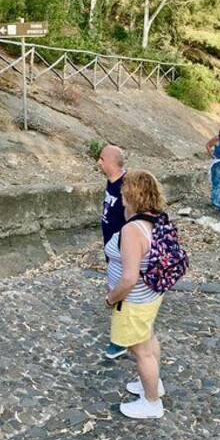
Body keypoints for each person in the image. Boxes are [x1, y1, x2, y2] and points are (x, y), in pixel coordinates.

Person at [105, 170, 167, 419]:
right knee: (149, 338)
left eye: (123, 195)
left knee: (139, 350)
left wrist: (111, 298)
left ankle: (152, 403)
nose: (121, 200)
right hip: (151, 295)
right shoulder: (157, 218)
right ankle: (153, 384)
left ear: (131, 197)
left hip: (134, 301)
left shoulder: (132, 230)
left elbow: (129, 277)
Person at [97, 144, 128, 360]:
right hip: (111, 249)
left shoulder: (126, 187)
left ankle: (120, 341)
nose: (98, 163)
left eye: (101, 159)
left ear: (112, 162)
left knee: (120, 294)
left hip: (123, 252)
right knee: (116, 289)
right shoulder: (111, 182)